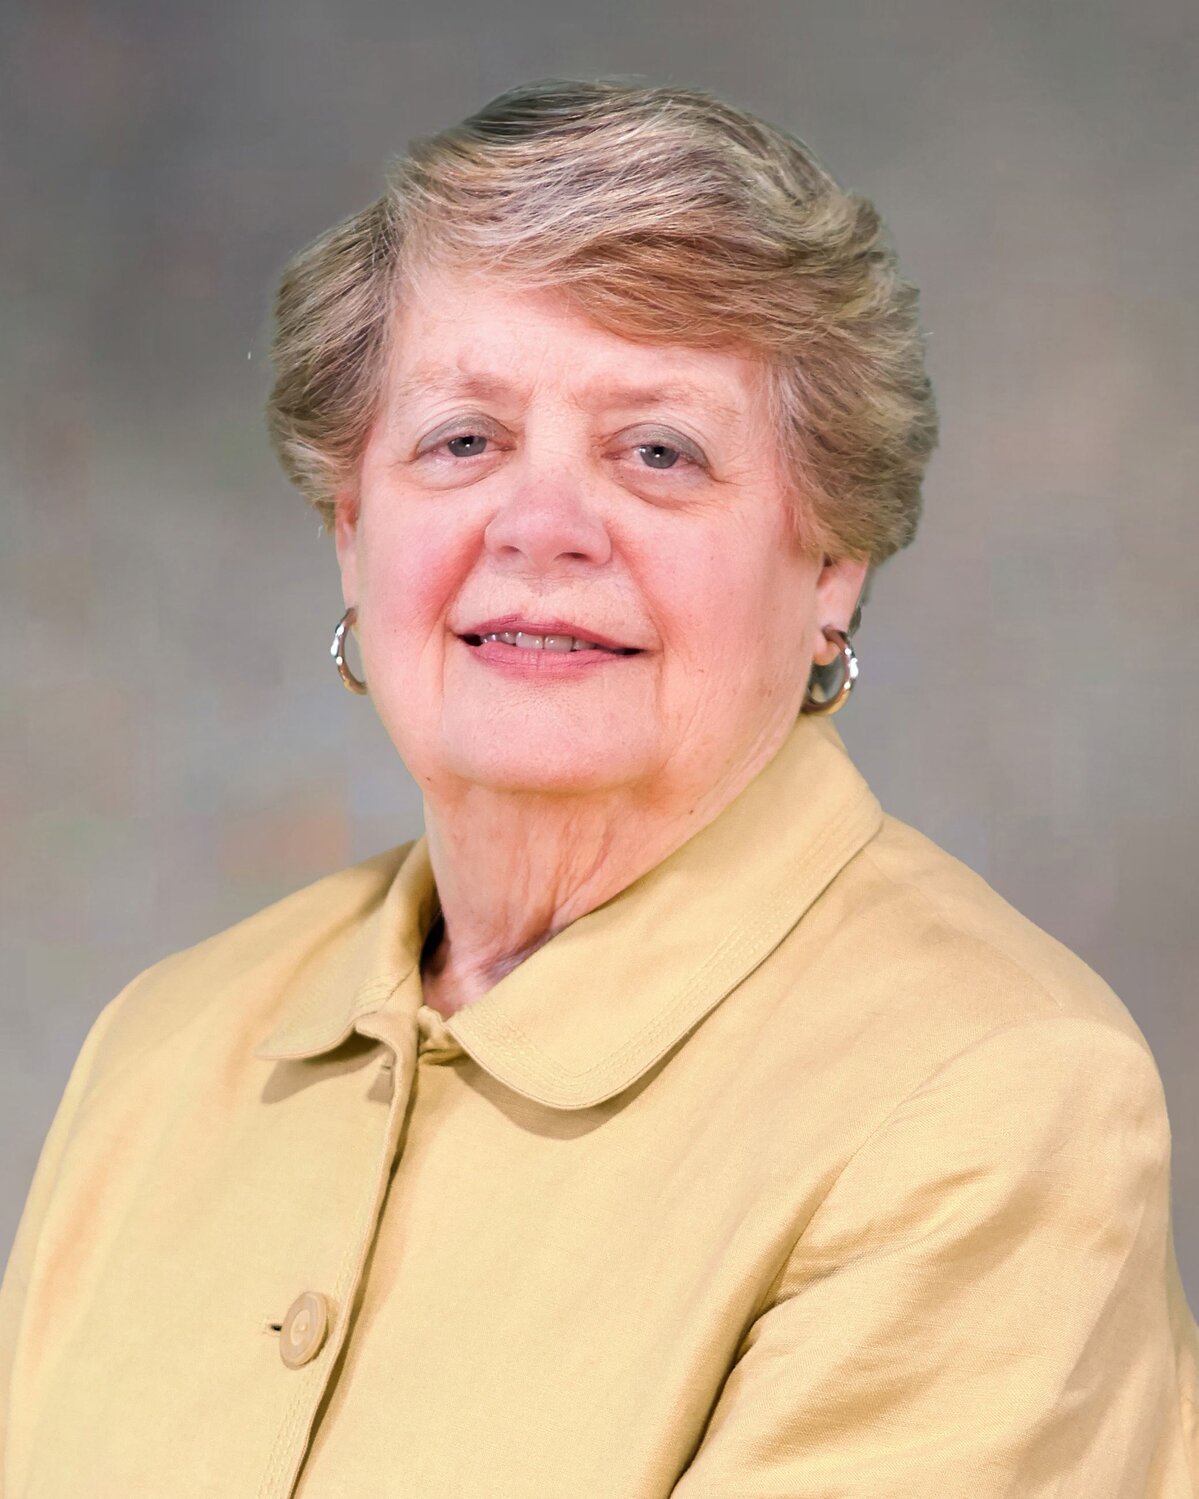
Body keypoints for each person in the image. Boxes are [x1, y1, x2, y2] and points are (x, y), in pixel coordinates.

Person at [2, 76, 1196, 1499]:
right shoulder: (172, 1046)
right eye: (462, 440)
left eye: (659, 453)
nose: (543, 528)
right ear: (351, 529)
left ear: (830, 565)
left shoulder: (991, 1101)